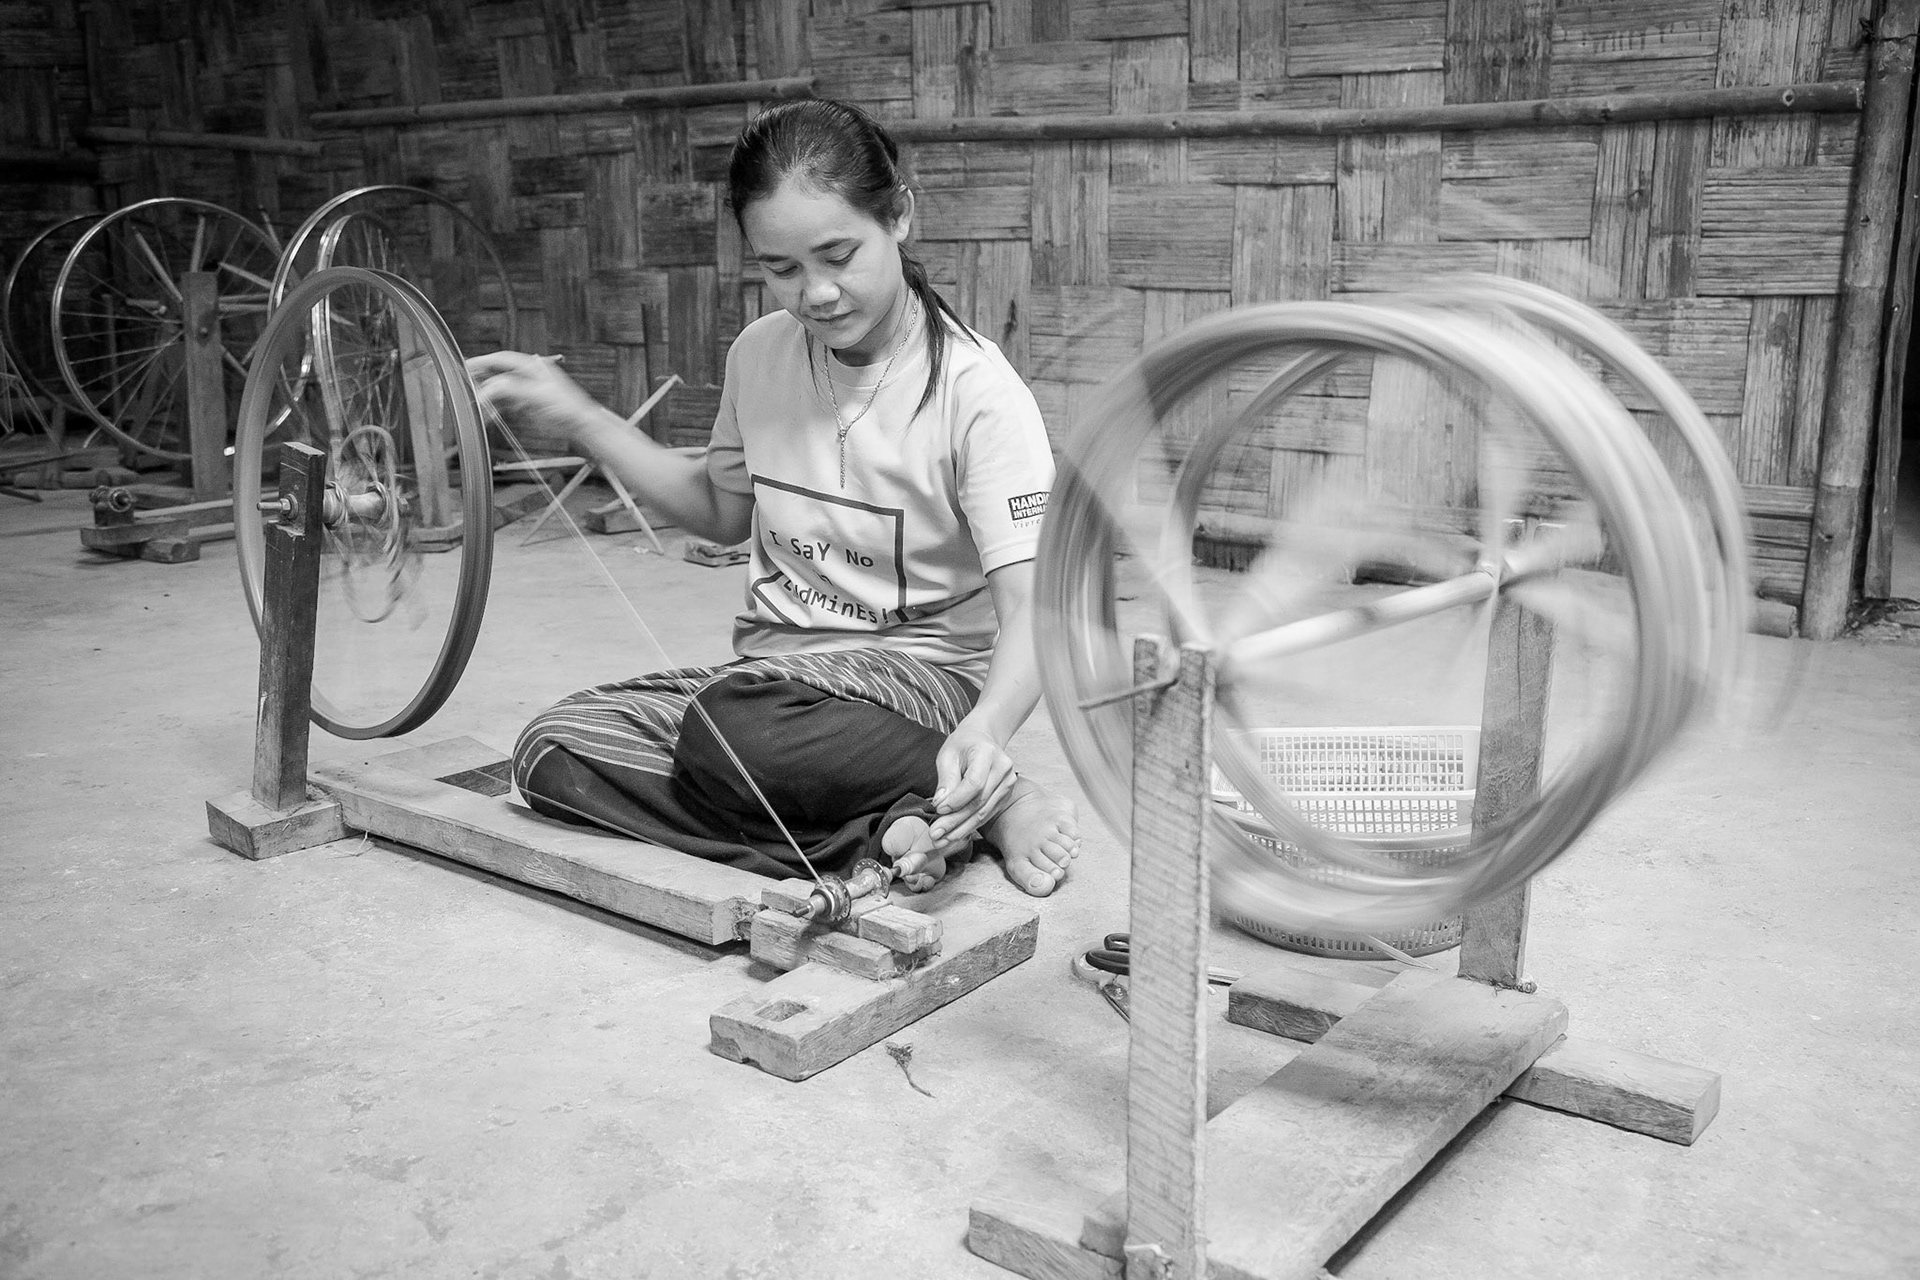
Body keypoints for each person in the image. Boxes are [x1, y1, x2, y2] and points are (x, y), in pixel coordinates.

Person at [467, 98, 1079, 898]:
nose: (816, 294)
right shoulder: (762, 353)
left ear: (898, 216)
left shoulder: (976, 394)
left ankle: (989, 792)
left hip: (916, 683)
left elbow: (1035, 611)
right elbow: (720, 510)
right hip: (774, 690)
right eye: (781, 268)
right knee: (554, 751)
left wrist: (988, 731)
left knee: (728, 729)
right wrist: (579, 418)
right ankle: (888, 827)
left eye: (837, 255)